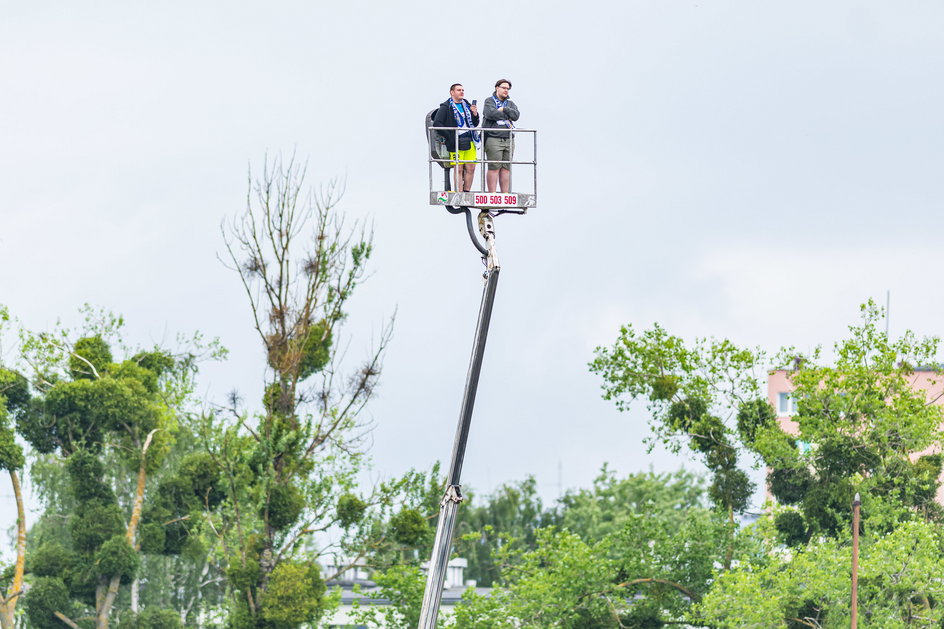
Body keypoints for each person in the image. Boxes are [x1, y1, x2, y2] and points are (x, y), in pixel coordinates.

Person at [433, 84, 480, 192]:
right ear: (452, 92)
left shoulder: (466, 104)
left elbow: (475, 123)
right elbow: (437, 123)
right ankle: (459, 192)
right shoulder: (446, 106)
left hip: (470, 139)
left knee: (471, 167)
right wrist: (450, 136)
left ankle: (467, 191)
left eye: (463, 90)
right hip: (455, 141)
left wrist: (475, 113)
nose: (462, 92)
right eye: (459, 90)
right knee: (458, 168)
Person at [482, 79, 519, 193]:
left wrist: (504, 109)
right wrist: (507, 115)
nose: (506, 90)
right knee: (494, 167)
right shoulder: (489, 101)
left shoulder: (510, 103)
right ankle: (492, 194)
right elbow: (490, 113)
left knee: (506, 168)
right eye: (504, 88)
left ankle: (505, 194)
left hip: (508, 138)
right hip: (494, 138)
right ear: (497, 88)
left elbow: (516, 115)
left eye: (508, 88)